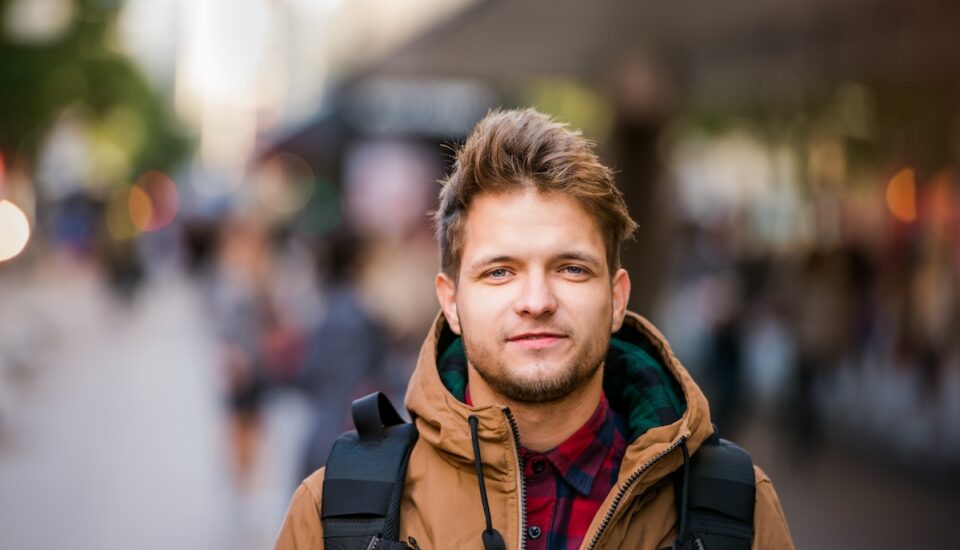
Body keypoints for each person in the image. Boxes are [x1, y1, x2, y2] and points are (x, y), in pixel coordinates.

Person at [274, 108, 794, 549]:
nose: (537, 302)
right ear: (451, 302)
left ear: (616, 299)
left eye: (571, 268)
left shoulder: (734, 513)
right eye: (500, 271)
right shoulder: (337, 512)